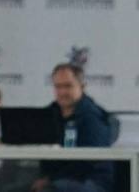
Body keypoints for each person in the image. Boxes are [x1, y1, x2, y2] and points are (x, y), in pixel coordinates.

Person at [32, 64, 114, 192]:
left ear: (82, 87)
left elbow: (88, 161)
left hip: (90, 180)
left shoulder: (93, 117)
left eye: (68, 86)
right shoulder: (49, 113)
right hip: (56, 178)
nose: (62, 92)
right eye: (58, 86)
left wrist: (50, 180)